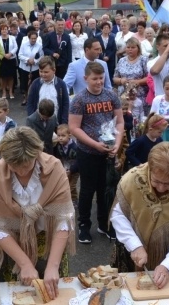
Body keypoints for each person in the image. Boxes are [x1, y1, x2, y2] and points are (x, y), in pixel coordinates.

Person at [0, 127, 75, 298]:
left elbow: (63, 218)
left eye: (26, 165)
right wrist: (24, 264)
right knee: (16, 297)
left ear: (36, 153)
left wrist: (53, 265)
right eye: (15, 167)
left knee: (52, 296)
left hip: (50, 245)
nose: (21, 171)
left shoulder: (54, 168)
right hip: (13, 246)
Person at [110, 142, 169, 286]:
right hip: (130, 252)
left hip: (168, 257)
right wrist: (134, 245)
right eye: (156, 181)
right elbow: (118, 215)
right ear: (150, 168)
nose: (161, 188)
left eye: (168, 183)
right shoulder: (131, 180)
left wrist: (168, 265)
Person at [69, 61, 124, 244]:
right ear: (86, 79)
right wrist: (95, 144)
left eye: (101, 78)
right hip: (88, 152)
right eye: (95, 79)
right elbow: (74, 128)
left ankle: (104, 223)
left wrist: (117, 144)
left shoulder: (111, 95)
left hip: (108, 151)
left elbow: (120, 122)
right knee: (87, 190)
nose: (99, 82)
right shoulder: (79, 100)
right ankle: (84, 225)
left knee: (106, 189)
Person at [26, 57, 69, 126]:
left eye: (46, 72)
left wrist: (64, 123)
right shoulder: (35, 83)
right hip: (38, 124)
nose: (43, 74)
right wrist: (32, 118)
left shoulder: (61, 84)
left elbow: (65, 104)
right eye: (40, 71)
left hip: (56, 123)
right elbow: (30, 103)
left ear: (54, 70)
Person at [113, 37, 148, 103]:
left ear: (138, 48)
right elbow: (115, 78)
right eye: (128, 47)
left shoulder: (143, 60)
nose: (130, 49)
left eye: (133, 47)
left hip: (139, 95)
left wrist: (137, 82)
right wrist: (121, 80)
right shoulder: (121, 60)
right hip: (123, 96)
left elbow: (149, 78)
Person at [52, 124, 79, 206]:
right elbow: (59, 156)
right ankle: (74, 199)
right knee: (68, 183)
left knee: (70, 186)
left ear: (69, 135)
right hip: (66, 167)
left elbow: (78, 161)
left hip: (75, 170)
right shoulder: (59, 145)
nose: (60, 138)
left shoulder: (74, 147)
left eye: (63, 135)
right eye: (58, 135)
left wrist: (71, 170)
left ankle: (66, 201)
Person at [18, 29, 43, 106]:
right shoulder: (24, 45)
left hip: (35, 68)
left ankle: (33, 99)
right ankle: (26, 98)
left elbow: (42, 56)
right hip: (25, 67)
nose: (33, 40)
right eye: (32, 38)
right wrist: (27, 60)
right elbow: (20, 55)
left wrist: (35, 61)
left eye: (35, 38)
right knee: (25, 84)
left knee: (34, 84)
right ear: (29, 38)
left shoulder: (39, 46)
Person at [0, 24, 18, 100]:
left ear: (8, 30)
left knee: (11, 76)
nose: (4, 31)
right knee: (3, 77)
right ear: (0, 31)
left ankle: (10, 92)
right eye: (2, 29)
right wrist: (4, 54)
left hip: (11, 59)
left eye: (6, 29)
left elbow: (16, 47)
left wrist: (10, 53)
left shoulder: (12, 38)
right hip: (2, 60)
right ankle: (3, 92)